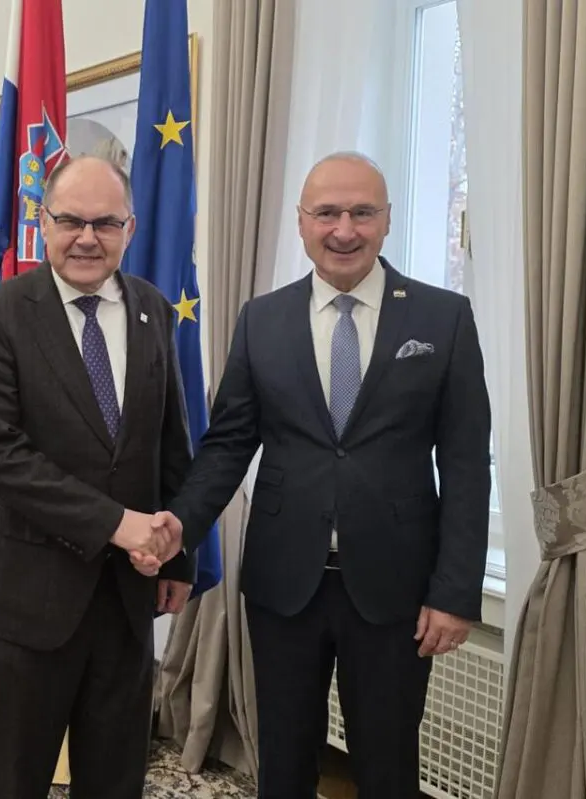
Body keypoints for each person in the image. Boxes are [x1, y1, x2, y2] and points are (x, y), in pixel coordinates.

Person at [152, 151, 492, 798]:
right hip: (283, 584)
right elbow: (227, 446)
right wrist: (176, 532)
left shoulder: (442, 318)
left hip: (396, 589)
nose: (344, 229)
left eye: (362, 212)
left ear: (386, 220)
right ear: (302, 221)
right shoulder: (261, 319)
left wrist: (454, 591)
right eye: (328, 213)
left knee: (387, 765)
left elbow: (467, 464)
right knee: (282, 761)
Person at [0, 154, 195, 799]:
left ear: (130, 228)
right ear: (42, 222)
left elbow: (170, 442)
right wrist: (117, 524)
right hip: (29, 596)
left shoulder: (152, 309)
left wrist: (180, 557)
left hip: (127, 599)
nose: (87, 238)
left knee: (117, 777)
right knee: (16, 779)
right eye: (71, 221)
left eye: (106, 223)